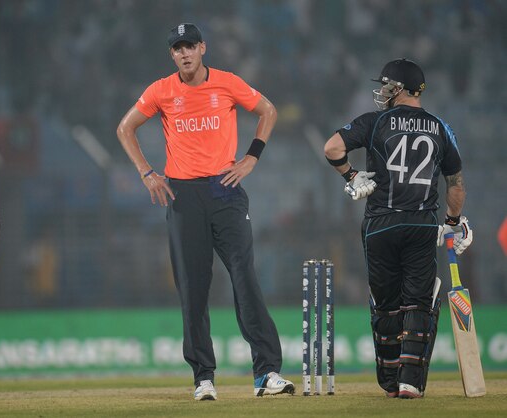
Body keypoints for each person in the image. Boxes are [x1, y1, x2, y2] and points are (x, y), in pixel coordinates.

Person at [116, 23, 293, 400]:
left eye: (190, 47)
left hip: (224, 188)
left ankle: (266, 374)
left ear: (202, 48)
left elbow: (268, 111)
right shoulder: (161, 90)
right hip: (182, 194)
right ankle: (203, 378)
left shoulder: (227, 82)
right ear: (172, 55)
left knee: (245, 277)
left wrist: (250, 158)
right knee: (193, 289)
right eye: (177, 49)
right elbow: (125, 128)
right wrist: (147, 173)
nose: (184, 54)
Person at [323, 58, 473, 399]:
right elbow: (456, 184)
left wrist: (351, 175)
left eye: (387, 85)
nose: (382, 91)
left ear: (400, 88)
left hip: (380, 224)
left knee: (386, 304)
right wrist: (452, 224)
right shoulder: (440, 127)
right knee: (419, 303)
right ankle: (410, 382)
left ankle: (390, 382)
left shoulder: (375, 122)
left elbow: (332, 147)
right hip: (421, 223)